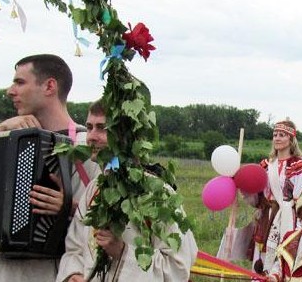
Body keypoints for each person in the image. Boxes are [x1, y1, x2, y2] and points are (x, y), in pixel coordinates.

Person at [0, 54, 102, 281]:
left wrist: (70, 206)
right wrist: (0, 127)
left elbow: (103, 218)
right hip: (3, 271)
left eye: (20, 82)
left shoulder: (85, 146)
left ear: (50, 86)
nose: (11, 91)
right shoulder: (7, 138)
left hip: (55, 270)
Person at [57, 100, 197, 281]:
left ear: (125, 137)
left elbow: (178, 268)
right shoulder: (94, 190)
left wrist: (123, 252)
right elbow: (75, 248)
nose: (91, 136)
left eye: (102, 128)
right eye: (89, 127)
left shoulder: (156, 195)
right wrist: (73, 274)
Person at [248, 120, 302, 274]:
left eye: (282, 135)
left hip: (288, 216)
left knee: (282, 255)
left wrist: (299, 226)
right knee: (262, 258)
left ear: (291, 139)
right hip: (266, 215)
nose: (277, 138)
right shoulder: (266, 164)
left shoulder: (298, 166)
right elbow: (256, 191)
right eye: (275, 135)